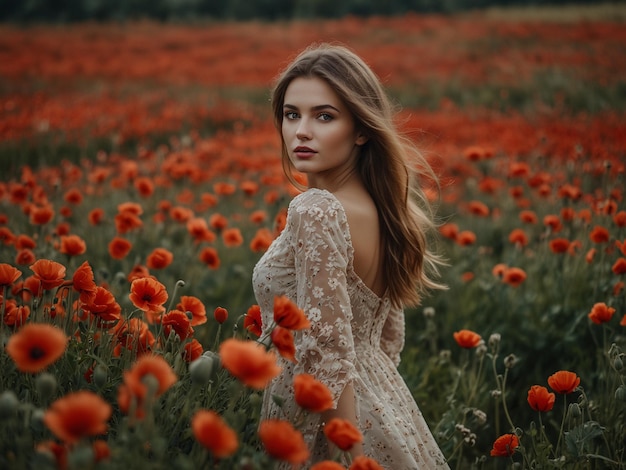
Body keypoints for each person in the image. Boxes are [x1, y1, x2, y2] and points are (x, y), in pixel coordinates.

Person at [252, 43, 449, 469]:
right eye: (291, 114)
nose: (301, 131)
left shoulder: (316, 209)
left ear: (361, 129)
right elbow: (386, 340)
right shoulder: (385, 209)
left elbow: (325, 353)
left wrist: (351, 456)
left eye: (324, 116)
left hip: (327, 423)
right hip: (383, 401)